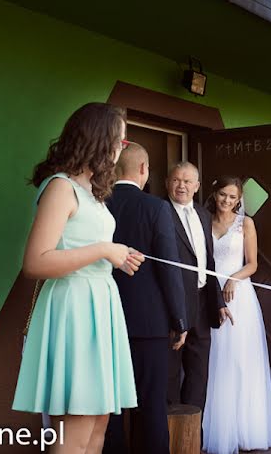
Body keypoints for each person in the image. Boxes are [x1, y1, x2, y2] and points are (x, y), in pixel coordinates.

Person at [13, 103, 144, 454]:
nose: (122, 147)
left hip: (100, 304)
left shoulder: (93, 193)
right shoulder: (61, 188)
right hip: (75, 308)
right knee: (77, 424)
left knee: (99, 420)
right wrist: (103, 250)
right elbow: (36, 262)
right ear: (99, 140)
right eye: (120, 139)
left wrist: (116, 256)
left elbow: (86, 247)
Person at [103, 143, 187, 454]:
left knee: (109, 405)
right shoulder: (156, 207)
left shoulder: (98, 203)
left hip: (105, 318)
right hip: (149, 323)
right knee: (151, 404)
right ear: (143, 169)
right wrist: (179, 319)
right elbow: (169, 268)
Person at [201, 176, 271, 454]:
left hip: (239, 296)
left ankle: (246, 429)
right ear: (214, 194)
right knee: (216, 359)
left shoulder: (245, 223)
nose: (227, 201)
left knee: (241, 359)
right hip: (210, 296)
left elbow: (252, 264)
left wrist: (232, 279)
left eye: (232, 197)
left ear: (239, 199)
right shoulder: (204, 221)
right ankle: (217, 430)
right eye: (222, 195)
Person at [166, 162, 232, 412]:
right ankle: (171, 440)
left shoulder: (204, 215)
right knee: (170, 373)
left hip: (203, 304)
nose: (181, 185)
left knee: (198, 374)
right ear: (167, 182)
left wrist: (219, 302)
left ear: (197, 186)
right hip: (175, 304)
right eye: (176, 180)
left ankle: (193, 439)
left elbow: (208, 261)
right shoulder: (159, 211)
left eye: (187, 181)